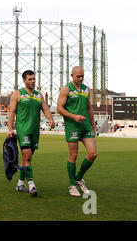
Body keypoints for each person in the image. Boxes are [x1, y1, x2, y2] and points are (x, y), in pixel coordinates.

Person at [7, 70, 55, 197]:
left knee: (26, 158)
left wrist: (50, 119)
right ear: (24, 81)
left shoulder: (39, 95)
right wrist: (10, 129)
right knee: (27, 156)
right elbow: (12, 112)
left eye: (34, 79)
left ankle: (20, 183)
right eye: (30, 79)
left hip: (35, 131)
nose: (33, 81)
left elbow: (45, 109)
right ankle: (32, 185)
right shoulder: (17, 94)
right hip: (23, 130)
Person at [56, 66, 98, 197]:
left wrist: (93, 126)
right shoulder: (66, 89)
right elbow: (59, 108)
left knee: (93, 154)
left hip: (86, 126)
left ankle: (78, 178)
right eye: (78, 76)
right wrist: (74, 116)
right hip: (72, 126)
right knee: (73, 156)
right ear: (72, 76)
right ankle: (72, 185)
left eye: (82, 76)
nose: (80, 78)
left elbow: (89, 108)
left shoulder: (86, 89)